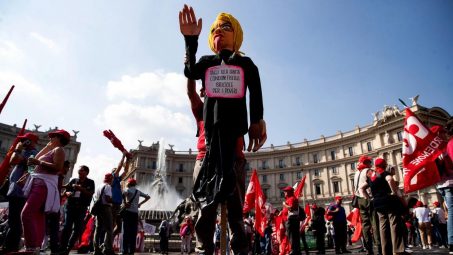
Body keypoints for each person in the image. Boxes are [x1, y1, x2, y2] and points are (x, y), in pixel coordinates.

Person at [179, 4, 267, 254]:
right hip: (207, 155)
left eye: (225, 27)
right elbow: (189, 71)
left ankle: (240, 249)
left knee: (236, 213)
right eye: (215, 29)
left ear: (236, 34)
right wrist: (190, 41)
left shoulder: (246, 63)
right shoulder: (206, 63)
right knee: (204, 211)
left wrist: (257, 120)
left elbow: (256, 93)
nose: (219, 31)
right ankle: (202, 249)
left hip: (235, 146)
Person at [21, 129, 69, 254]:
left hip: (43, 186)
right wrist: (47, 148)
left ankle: (31, 246)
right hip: (39, 184)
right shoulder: (52, 149)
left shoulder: (59, 150)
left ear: (59, 138)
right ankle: (36, 246)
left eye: (53, 136)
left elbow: (57, 167)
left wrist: (38, 162)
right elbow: (34, 159)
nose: (50, 138)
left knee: (26, 214)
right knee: (38, 216)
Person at [360, 158, 407, 255]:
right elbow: (389, 180)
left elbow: (362, 188)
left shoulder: (372, 176)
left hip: (377, 203)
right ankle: (397, 250)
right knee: (394, 224)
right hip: (388, 201)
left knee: (383, 226)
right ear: (384, 165)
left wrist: (369, 198)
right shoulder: (384, 173)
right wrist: (394, 192)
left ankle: (385, 251)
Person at [3, 132, 39, 253]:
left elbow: (14, 161)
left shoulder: (32, 153)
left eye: (25, 140)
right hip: (15, 191)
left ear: (30, 141)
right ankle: (9, 246)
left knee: (15, 222)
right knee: (13, 221)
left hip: (20, 192)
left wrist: (17, 150)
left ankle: (10, 247)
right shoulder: (27, 153)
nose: (22, 142)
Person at [59, 165, 95, 254]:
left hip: (81, 208)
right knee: (67, 226)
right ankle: (62, 247)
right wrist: (67, 193)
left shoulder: (90, 182)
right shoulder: (73, 181)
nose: (80, 172)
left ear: (86, 172)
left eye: (82, 171)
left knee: (78, 229)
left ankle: (68, 247)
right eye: (79, 171)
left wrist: (81, 189)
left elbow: (91, 193)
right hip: (70, 207)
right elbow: (65, 192)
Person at [353, 155, 381, 255]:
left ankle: (369, 249)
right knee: (375, 224)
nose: (371, 163)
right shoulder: (368, 171)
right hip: (368, 198)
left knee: (365, 225)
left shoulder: (356, 173)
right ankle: (380, 247)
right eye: (369, 162)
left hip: (359, 200)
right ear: (366, 163)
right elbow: (377, 178)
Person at [436, 118, 453, 254]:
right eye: (441, 132)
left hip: (441, 184)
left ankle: (451, 241)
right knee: (452, 212)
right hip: (449, 182)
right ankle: (452, 241)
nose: (444, 134)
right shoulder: (446, 146)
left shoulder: (435, 149)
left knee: (450, 211)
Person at [121, 178, 150, 255]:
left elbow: (123, 194)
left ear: (129, 184)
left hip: (128, 213)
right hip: (135, 214)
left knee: (126, 232)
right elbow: (148, 197)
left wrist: (125, 202)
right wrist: (140, 204)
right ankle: (132, 251)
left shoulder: (128, 190)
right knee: (133, 233)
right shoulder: (138, 191)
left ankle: (125, 250)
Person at [93, 173, 114, 255]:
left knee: (98, 229)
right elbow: (108, 199)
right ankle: (107, 248)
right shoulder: (108, 186)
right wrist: (115, 202)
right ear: (111, 179)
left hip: (98, 208)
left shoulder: (99, 186)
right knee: (109, 229)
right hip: (105, 208)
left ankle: (96, 249)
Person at [112, 153, 130, 238]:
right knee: (111, 225)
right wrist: (123, 156)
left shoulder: (118, 180)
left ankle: (108, 242)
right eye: (115, 171)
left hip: (117, 205)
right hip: (112, 205)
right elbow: (119, 168)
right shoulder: (112, 179)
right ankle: (105, 245)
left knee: (118, 227)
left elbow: (125, 171)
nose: (117, 173)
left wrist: (128, 160)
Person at [281, 186, 300, 255]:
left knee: (291, 235)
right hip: (293, 219)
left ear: (289, 192)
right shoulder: (291, 198)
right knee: (294, 235)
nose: (284, 193)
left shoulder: (291, 199)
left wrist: (284, 204)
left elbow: (291, 208)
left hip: (291, 219)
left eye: (285, 191)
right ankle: (296, 250)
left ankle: (293, 250)